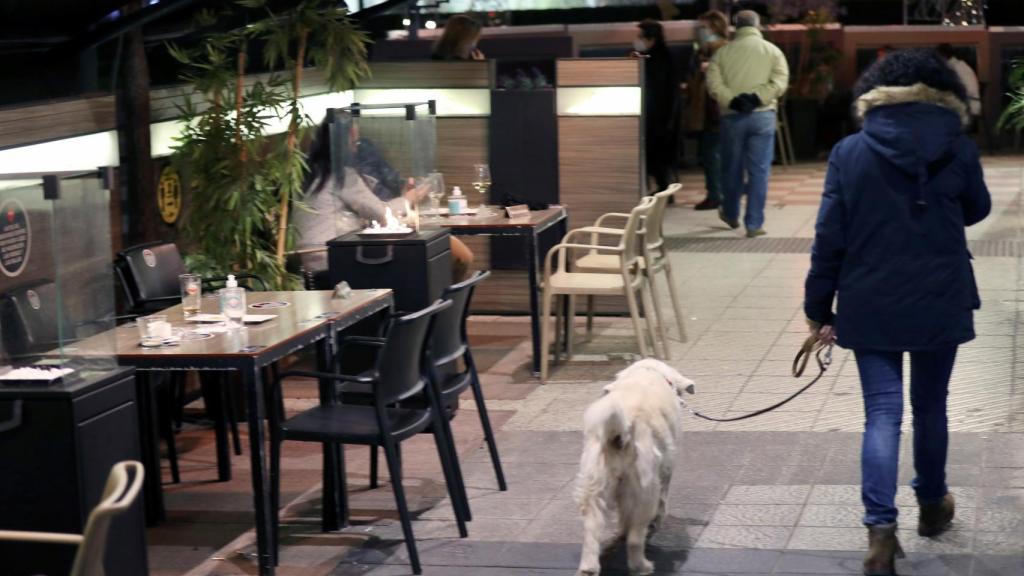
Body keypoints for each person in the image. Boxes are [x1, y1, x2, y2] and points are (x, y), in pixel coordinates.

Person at [803, 49, 990, 576]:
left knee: (882, 413)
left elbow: (828, 237)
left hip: (870, 299)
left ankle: (880, 531)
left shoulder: (850, 151)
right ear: (941, 95)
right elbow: (977, 209)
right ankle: (932, 506)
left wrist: (818, 307)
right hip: (940, 295)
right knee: (931, 407)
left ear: (874, 95)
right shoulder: (958, 147)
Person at [295, 113, 474, 281]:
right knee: (450, 254)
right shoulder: (341, 176)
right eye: (353, 141)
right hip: (332, 259)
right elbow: (381, 213)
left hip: (311, 260)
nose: (356, 147)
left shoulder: (308, 173)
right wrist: (409, 199)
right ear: (343, 142)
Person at [706, 9, 789, 238]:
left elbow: (713, 83)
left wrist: (732, 99)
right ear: (757, 24)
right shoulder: (773, 52)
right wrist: (756, 98)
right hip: (763, 116)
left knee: (731, 168)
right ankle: (754, 224)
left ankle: (731, 214)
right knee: (759, 171)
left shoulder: (722, 53)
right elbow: (780, 82)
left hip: (732, 117)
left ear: (736, 25)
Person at [685, 10, 729, 210]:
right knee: (712, 153)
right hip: (710, 109)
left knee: (712, 154)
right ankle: (717, 192)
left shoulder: (718, 49)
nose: (700, 31)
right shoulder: (706, 49)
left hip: (713, 110)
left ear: (714, 27)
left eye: (703, 27)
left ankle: (716, 193)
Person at [634, 19, 680, 198]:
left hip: (659, 117)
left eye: (639, 36)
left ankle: (663, 189)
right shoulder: (661, 55)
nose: (637, 40)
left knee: (657, 155)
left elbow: (657, 89)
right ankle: (664, 189)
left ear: (650, 37)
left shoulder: (657, 58)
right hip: (664, 116)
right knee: (660, 156)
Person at [936, 43, 981, 119]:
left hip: (969, 105)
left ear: (943, 56)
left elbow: (969, 90)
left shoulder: (960, 68)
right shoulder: (956, 66)